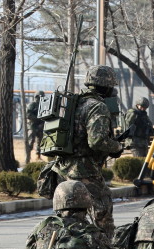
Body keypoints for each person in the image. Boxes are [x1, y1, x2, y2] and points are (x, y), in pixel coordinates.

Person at [49, 65, 124, 237]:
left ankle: (63, 246)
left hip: (62, 167)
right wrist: (117, 147)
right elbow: (97, 141)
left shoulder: (75, 102)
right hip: (84, 170)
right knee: (102, 214)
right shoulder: (97, 106)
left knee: (69, 215)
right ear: (106, 86)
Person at [26, 90, 45, 160]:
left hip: (40, 125)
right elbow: (28, 115)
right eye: (39, 97)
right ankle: (28, 156)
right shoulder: (32, 104)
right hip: (32, 125)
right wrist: (37, 118)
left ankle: (38, 156)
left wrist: (42, 122)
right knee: (31, 140)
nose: (40, 99)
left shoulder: (43, 105)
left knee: (40, 141)